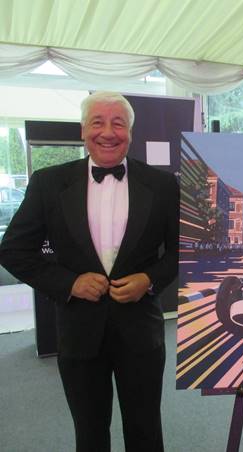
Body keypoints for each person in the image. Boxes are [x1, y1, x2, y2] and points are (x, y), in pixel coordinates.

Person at [0, 91, 179, 452]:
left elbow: (183, 253)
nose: (108, 132)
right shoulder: (49, 183)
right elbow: (13, 250)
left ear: (130, 131)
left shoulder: (162, 185)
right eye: (98, 122)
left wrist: (149, 280)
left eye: (118, 123)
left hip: (141, 333)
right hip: (79, 333)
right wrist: (69, 283)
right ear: (83, 130)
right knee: (90, 433)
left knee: (146, 431)